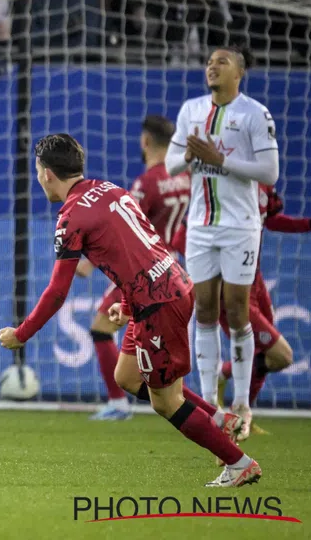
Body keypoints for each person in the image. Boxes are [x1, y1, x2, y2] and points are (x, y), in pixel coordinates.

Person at [0, 133, 259, 488]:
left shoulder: (70, 217)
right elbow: (137, 249)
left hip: (158, 304)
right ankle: (219, 419)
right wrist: (129, 301)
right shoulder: (111, 189)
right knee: (128, 377)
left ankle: (239, 463)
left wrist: (21, 334)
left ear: (46, 173)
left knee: (166, 401)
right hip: (169, 285)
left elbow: (58, 291)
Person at [165, 46, 280, 439]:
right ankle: (212, 406)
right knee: (205, 310)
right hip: (200, 225)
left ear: (239, 73)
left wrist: (219, 159)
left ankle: (243, 405)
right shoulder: (191, 109)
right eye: (210, 62)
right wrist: (194, 158)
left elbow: (270, 170)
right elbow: (171, 163)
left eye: (222, 62)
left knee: (237, 311)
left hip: (239, 225)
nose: (212, 66)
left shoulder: (254, 113)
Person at [83, 115, 189, 421]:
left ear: (145, 141)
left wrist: (90, 262)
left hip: (142, 271)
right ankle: (164, 398)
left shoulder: (147, 183)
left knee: (101, 328)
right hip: (170, 266)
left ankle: (120, 403)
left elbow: (126, 230)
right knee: (143, 339)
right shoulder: (184, 178)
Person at [214, 184, 310, 417]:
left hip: (255, 283)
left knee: (263, 353)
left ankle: (243, 411)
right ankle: (223, 375)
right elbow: (181, 237)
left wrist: (310, 224)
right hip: (232, 289)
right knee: (282, 356)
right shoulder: (220, 183)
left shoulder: (262, 180)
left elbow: (271, 220)